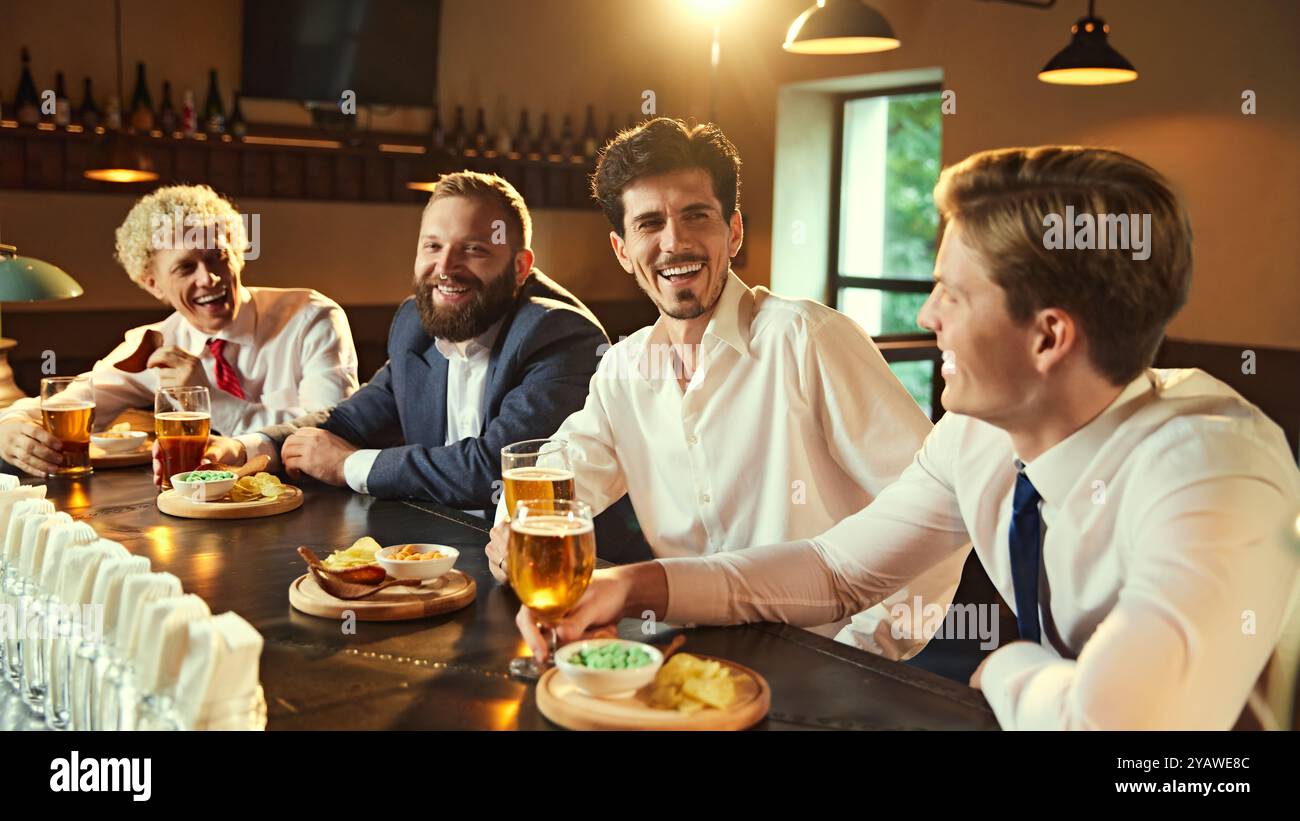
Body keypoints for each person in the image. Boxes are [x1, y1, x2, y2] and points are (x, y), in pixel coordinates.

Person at [514, 145, 1300, 730]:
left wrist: (1004, 666)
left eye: (951, 293)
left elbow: (1120, 730)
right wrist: (635, 584)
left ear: (1049, 336)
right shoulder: (980, 436)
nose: (927, 318)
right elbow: (835, 567)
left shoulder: (1214, 468)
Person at [486, 118, 968, 655]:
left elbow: (939, 516)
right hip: (686, 651)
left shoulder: (808, 340)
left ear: (733, 231)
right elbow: (561, 469)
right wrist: (512, 528)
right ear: (623, 251)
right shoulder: (622, 369)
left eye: (696, 215)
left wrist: (864, 653)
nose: (676, 241)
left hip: (821, 654)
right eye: (649, 224)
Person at [194, 172, 609, 511]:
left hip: (550, 567)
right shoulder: (417, 321)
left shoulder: (558, 334)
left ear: (519, 267)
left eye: (474, 250)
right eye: (433, 246)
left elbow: (497, 471)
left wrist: (350, 464)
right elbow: (349, 422)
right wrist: (250, 446)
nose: (445, 267)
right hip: (440, 549)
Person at [0, 184, 359, 478]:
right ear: (153, 284)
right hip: (199, 515)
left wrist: (209, 399)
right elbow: (70, 401)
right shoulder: (155, 345)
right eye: (186, 268)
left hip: (315, 507)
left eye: (218, 256)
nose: (210, 278)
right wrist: (10, 425)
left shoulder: (312, 318)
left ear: (238, 253)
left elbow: (328, 436)